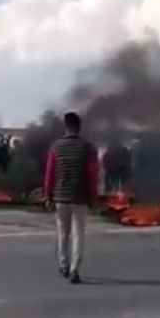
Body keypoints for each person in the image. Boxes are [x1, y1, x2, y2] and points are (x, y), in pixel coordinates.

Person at [43, 112, 98, 284]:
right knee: (78, 235)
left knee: (62, 232)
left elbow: (49, 173)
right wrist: (92, 197)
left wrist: (47, 195)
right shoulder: (87, 147)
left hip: (60, 197)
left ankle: (63, 264)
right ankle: (75, 269)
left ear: (65, 127)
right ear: (79, 127)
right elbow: (92, 175)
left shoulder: (56, 147)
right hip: (80, 197)